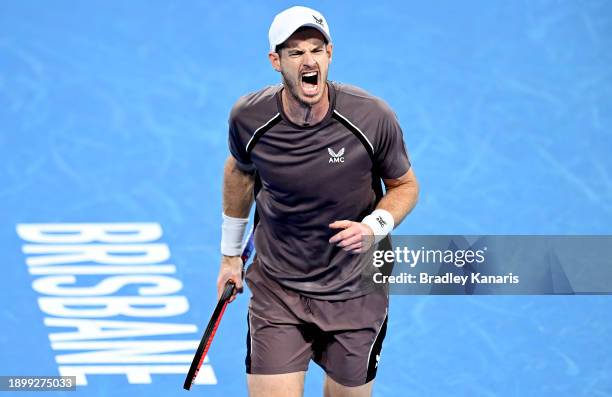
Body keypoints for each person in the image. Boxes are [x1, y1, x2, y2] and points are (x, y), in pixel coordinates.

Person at [216, 6, 419, 397]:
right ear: (276, 62)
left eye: (316, 49)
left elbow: (405, 186)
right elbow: (240, 172)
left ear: (330, 54)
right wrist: (229, 256)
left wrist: (373, 227)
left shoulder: (372, 117)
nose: (308, 60)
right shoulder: (249, 118)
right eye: (294, 53)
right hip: (279, 289)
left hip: (357, 291)